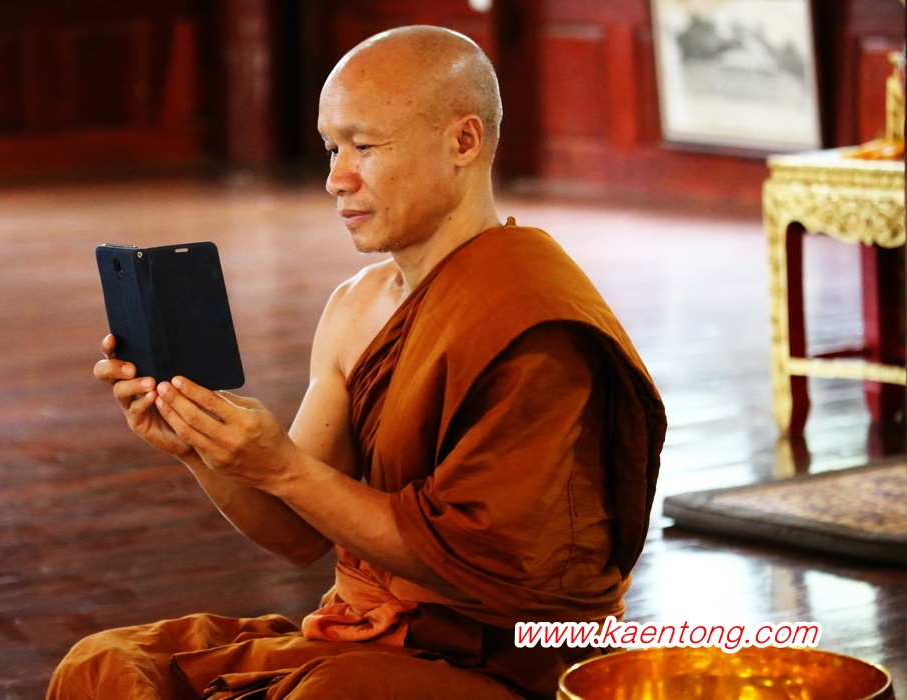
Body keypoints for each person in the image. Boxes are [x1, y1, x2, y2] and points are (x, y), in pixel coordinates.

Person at [49, 24, 665, 700]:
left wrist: (282, 467)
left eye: (364, 147)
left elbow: (495, 572)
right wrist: (199, 446)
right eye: (331, 148)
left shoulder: (533, 322)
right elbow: (296, 532)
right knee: (99, 667)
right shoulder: (356, 305)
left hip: (511, 659)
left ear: (463, 142)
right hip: (367, 637)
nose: (335, 179)